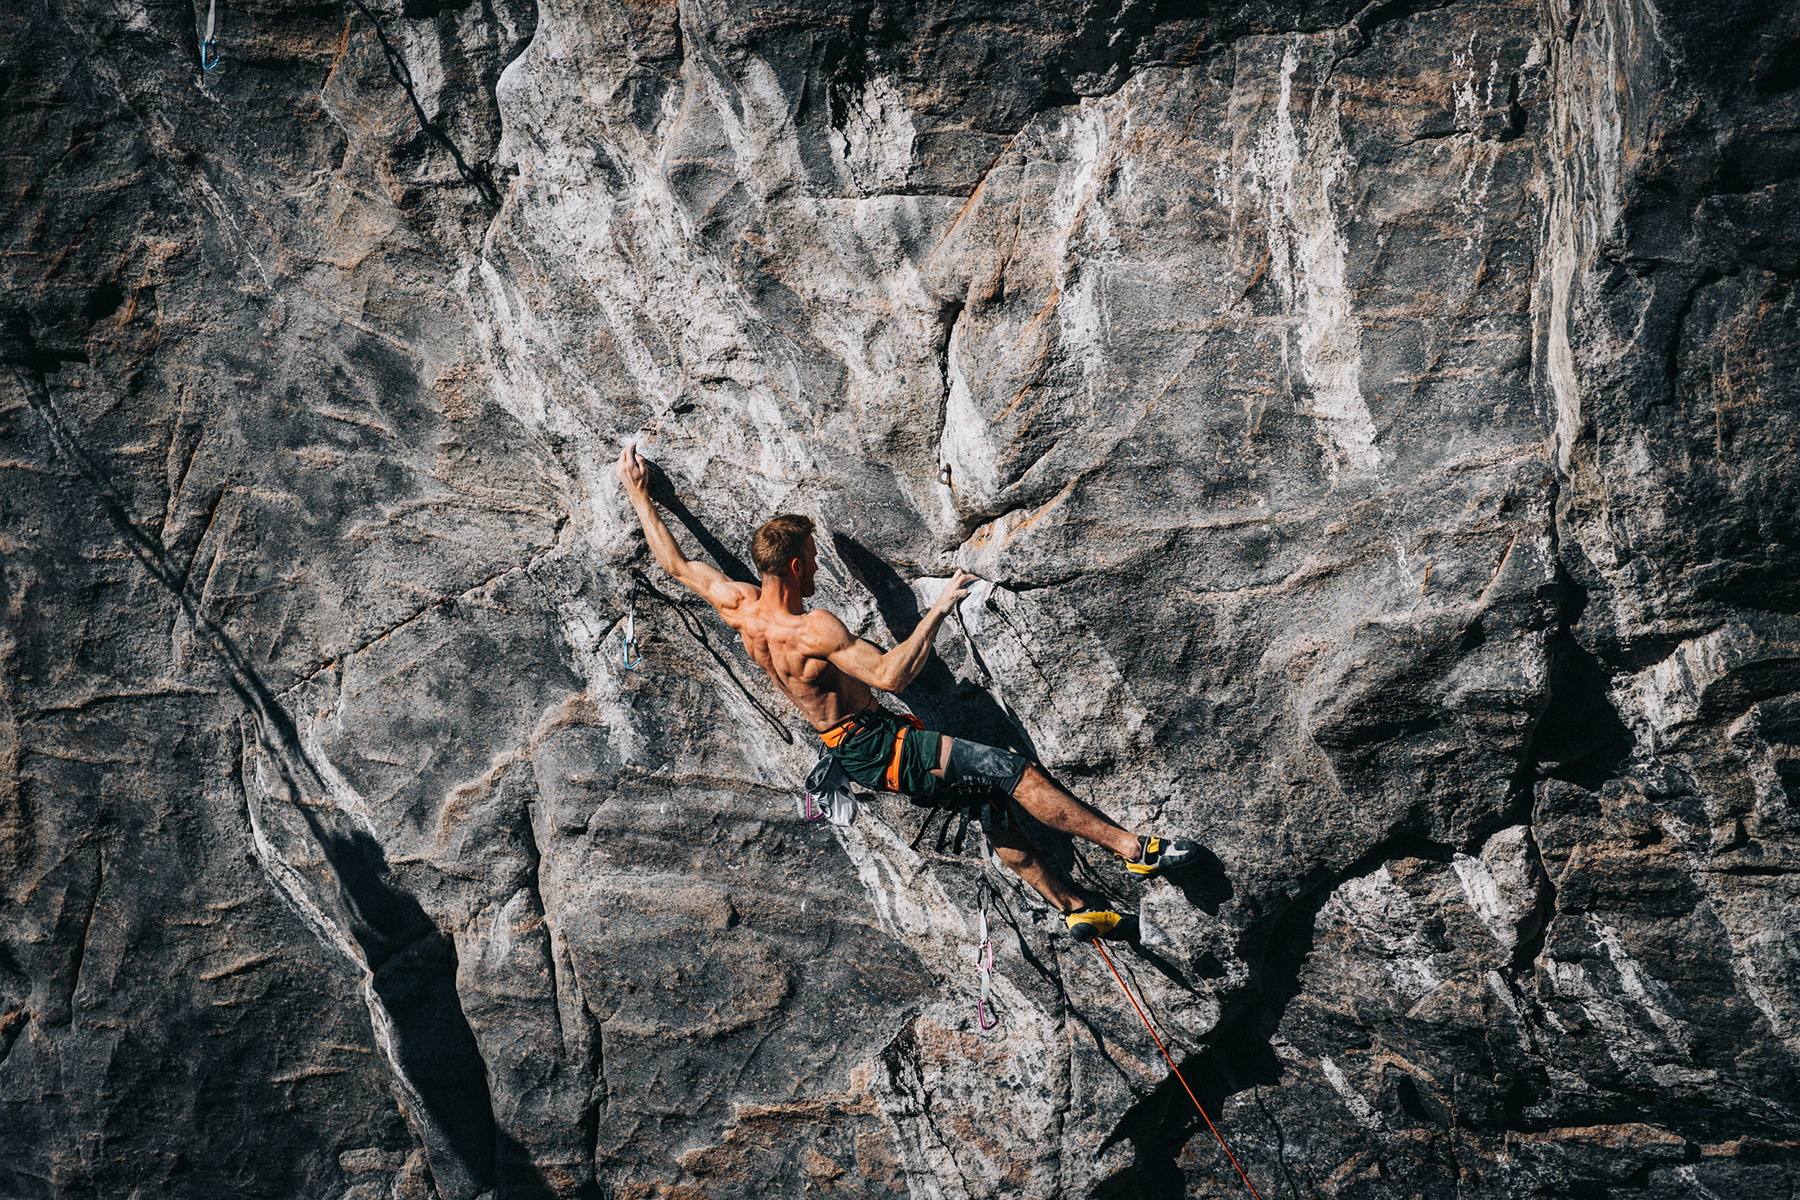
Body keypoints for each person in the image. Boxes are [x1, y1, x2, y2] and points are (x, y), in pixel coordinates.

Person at [616, 444, 1197, 939]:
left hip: (857, 747)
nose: (818, 568)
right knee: (1010, 771)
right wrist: (937, 611)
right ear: (794, 567)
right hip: (876, 746)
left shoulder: (739, 607)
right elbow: (892, 676)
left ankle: (1075, 909)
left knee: (989, 803)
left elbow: (676, 564)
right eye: (813, 560)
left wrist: (641, 495)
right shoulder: (812, 630)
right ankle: (1132, 849)